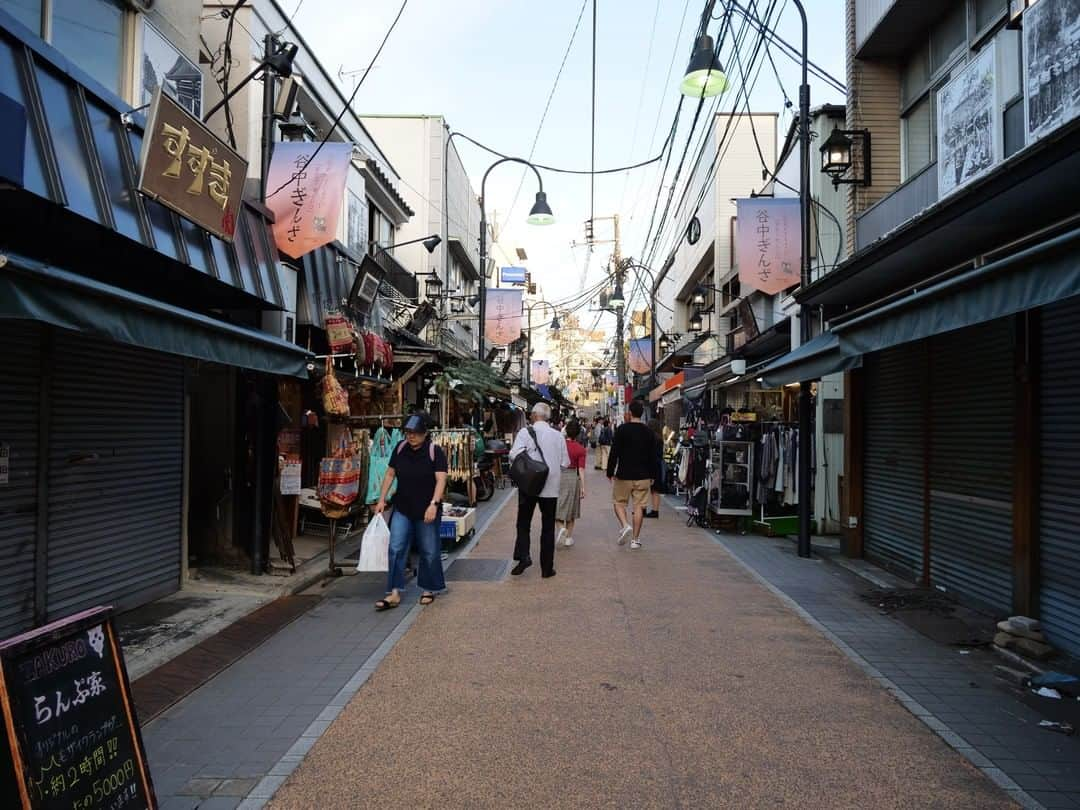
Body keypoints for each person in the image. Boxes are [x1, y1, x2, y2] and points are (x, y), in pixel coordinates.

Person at [372, 412, 448, 611]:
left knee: (429, 550)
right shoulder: (400, 448)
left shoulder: (435, 451)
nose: (411, 436)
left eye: (415, 433)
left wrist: (434, 504)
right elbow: (389, 474)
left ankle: (428, 588)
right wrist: (381, 499)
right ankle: (394, 592)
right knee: (396, 548)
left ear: (425, 433)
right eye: (408, 432)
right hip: (403, 506)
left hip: (427, 509)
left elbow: (441, 479)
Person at [509, 402, 570, 578]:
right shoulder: (558, 435)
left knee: (523, 523)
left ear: (534, 415)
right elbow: (565, 462)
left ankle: (524, 557)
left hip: (529, 485)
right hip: (550, 487)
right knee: (548, 527)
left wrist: (530, 461)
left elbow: (514, 454)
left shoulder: (524, 432)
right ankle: (546, 568)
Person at [606, 399, 658, 550]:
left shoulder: (622, 430)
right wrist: (653, 475)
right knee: (639, 507)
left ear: (630, 413)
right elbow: (653, 456)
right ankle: (635, 539)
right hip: (643, 475)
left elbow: (614, 452)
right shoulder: (649, 432)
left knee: (618, 503)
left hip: (624, 474)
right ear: (642, 414)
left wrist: (610, 471)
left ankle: (625, 525)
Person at [555, 419, 587, 548]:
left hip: (559, 476)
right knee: (572, 510)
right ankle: (568, 537)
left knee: (557, 506)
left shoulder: (559, 445)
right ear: (578, 433)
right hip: (573, 477)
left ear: (566, 431)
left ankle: (561, 527)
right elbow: (581, 469)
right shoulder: (580, 449)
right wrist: (583, 487)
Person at [645, 418, 665, 519]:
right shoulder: (660, 438)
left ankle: (643, 509)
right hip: (658, 465)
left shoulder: (650, 438)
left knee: (646, 488)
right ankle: (655, 510)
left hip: (650, 465)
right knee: (655, 490)